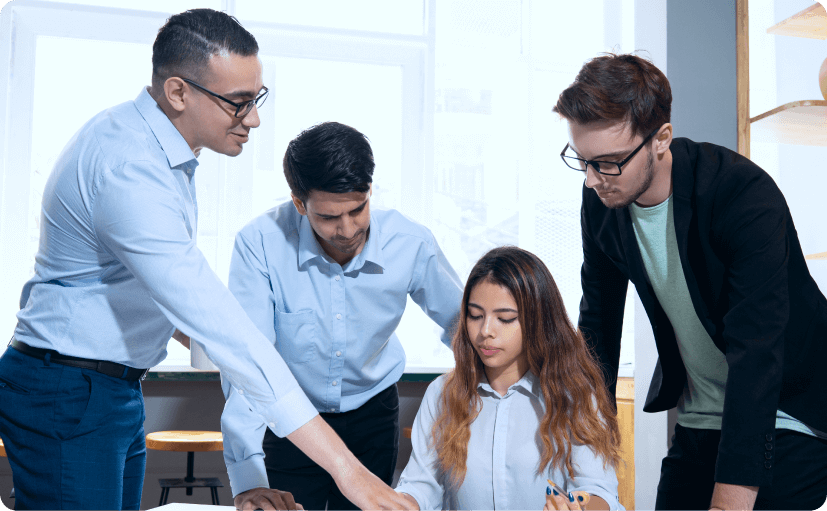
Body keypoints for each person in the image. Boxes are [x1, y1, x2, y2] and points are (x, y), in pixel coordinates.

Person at [0, 10, 414, 511]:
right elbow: (217, 323)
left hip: (105, 388)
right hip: (70, 391)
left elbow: (146, 292)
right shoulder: (130, 168)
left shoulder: (153, 151)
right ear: (178, 93)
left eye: (256, 99)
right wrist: (350, 473)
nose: (254, 119)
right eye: (238, 104)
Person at [553, 53, 827, 511]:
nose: (592, 180)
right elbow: (598, 322)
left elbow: (758, 351)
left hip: (787, 410)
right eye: (582, 161)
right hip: (702, 416)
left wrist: (731, 499)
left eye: (609, 162)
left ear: (661, 139)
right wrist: (585, 451)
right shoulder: (601, 201)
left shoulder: (742, 194)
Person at [221, 121, 464, 510]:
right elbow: (250, 363)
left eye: (358, 209)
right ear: (300, 204)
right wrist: (249, 475)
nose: (348, 229)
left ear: (370, 191)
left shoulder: (410, 242)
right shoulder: (260, 244)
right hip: (291, 423)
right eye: (329, 217)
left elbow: (465, 324)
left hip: (373, 417)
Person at [394, 246, 623, 510]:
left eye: (505, 318)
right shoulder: (442, 394)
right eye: (475, 315)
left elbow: (599, 492)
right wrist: (400, 502)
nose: (485, 331)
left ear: (539, 320)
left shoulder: (574, 395)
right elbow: (420, 485)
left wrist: (581, 507)